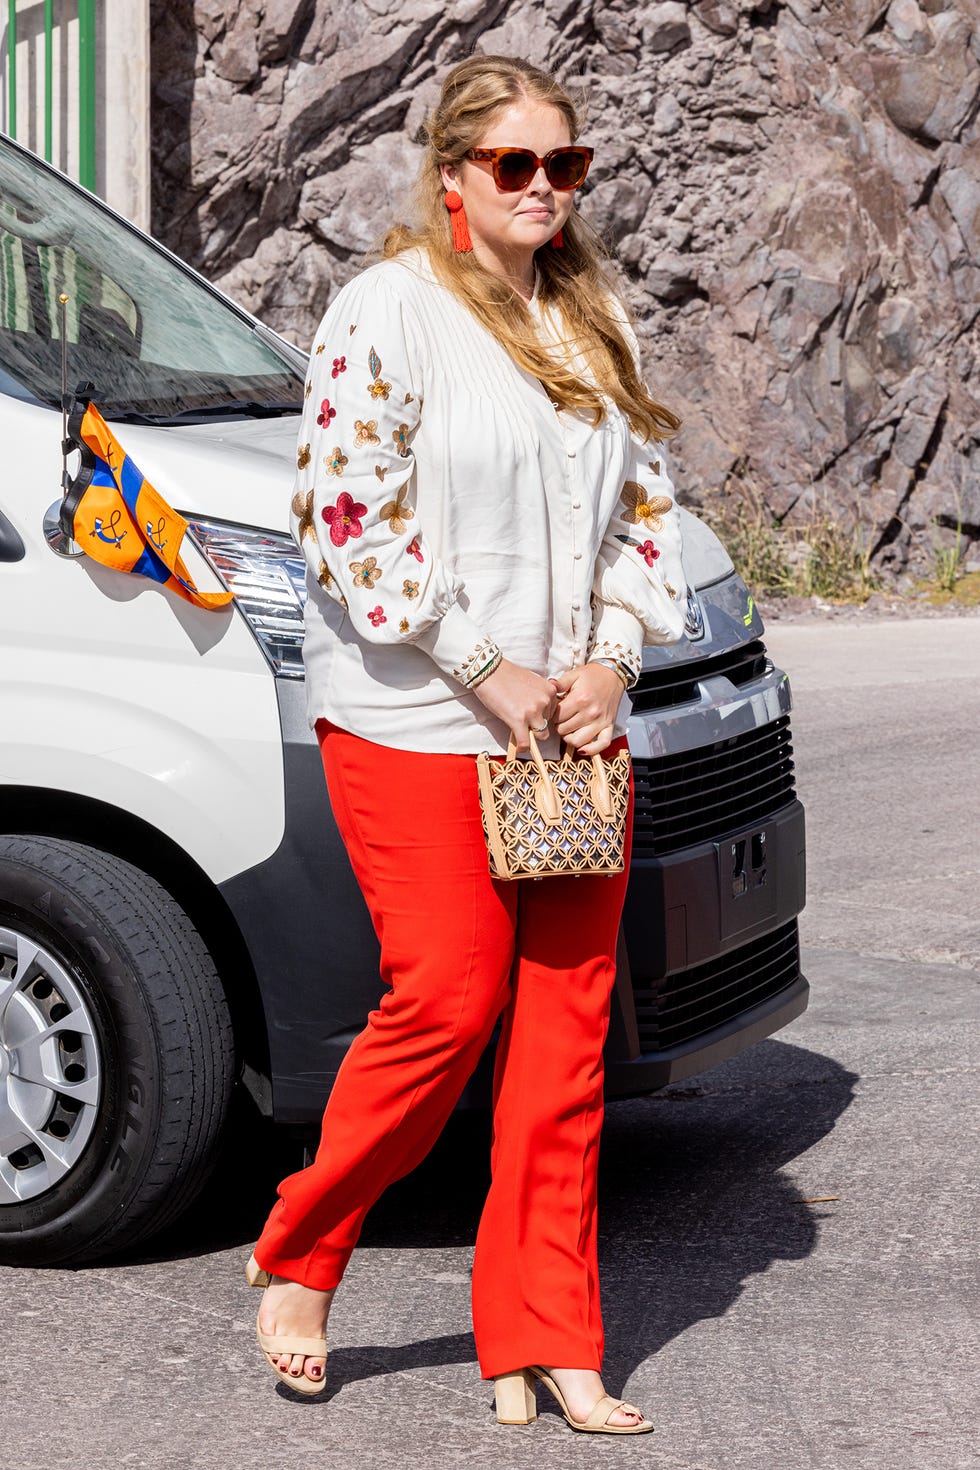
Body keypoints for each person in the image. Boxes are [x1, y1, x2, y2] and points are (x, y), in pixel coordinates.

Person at [245, 53, 687, 1436]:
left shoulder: (594, 314)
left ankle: (548, 1330)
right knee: (449, 995)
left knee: (564, 1033)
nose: (547, 189)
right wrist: (492, 669)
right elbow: (347, 517)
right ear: (453, 179)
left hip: (571, 729)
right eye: (518, 166)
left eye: (569, 166)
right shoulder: (387, 313)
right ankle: (301, 1247)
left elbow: (648, 513)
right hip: (419, 711)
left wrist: (612, 658)